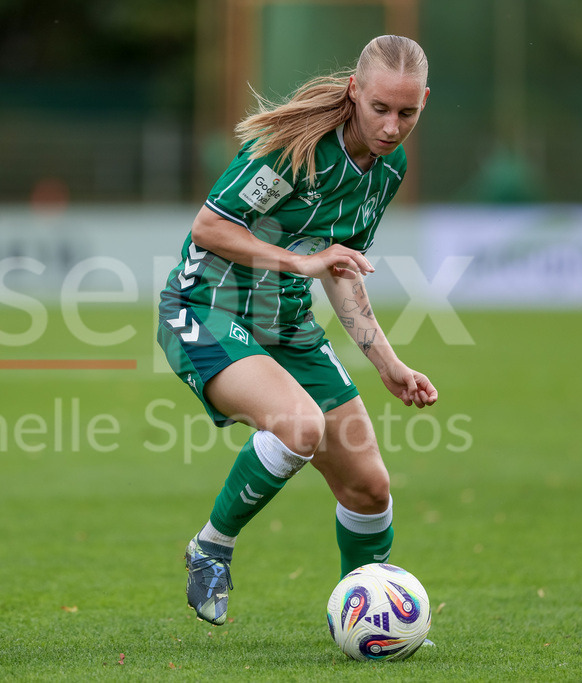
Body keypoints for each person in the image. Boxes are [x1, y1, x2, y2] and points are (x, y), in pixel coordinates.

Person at [157, 35, 438, 626]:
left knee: (369, 489)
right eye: (380, 108)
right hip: (207, 308)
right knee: (299, 425)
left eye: (407, 113)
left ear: (423, 103)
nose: (392, 127)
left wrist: (391, 365)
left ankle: (368, 617)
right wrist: (298, 262)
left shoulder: (389, 169)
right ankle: (211, 547)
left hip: (286, 323)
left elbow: (341, 268)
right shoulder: (292, 151)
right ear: (353, 91)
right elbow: (210, 227)